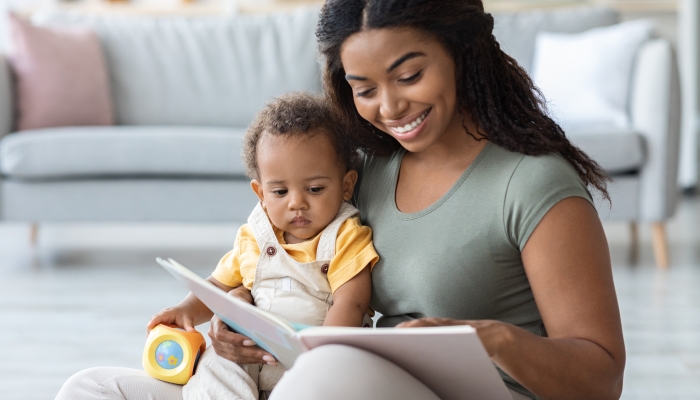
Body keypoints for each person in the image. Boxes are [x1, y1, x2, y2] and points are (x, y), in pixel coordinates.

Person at [239, 1, 625, 399]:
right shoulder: (362, 169)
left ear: (462, 52)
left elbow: (603, 381)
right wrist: (240, 313)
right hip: (386, 382)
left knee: (328, 375)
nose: (389, 108)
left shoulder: (533, 184)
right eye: (365, 90)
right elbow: (285, 255)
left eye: (409, 76)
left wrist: (492, 340)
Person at [55, 93, 378, 400]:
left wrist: (318, 358)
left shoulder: (346, 236)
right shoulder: (254, 237)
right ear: (260, 193)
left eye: (315, 188)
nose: (297, 203)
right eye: (280, 192)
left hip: (309, 367)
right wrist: (186, 310)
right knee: (213, 364)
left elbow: (350, 304)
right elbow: (216, 286)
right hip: (245, 364)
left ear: (347, 184)